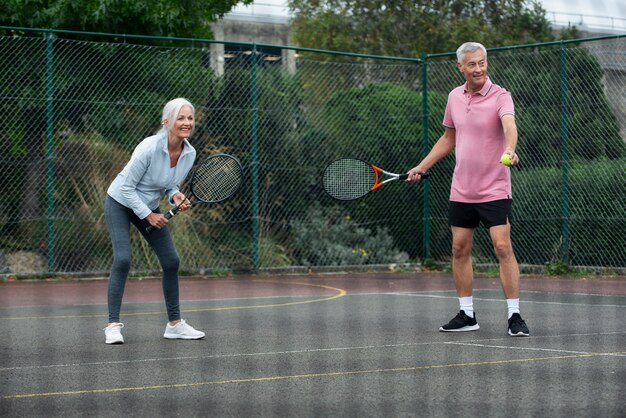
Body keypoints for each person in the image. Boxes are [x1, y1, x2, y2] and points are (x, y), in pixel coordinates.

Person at [407, 42, 529, 337]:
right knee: (459, 249)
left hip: (495, 188)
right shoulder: (454, 97)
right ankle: (467, 314)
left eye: (482, 63)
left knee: (502, 247)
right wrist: (422, 166)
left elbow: (509, 125)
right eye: (472, 64)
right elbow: (449, 138)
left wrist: (510, 148)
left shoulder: (501, 96)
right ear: (460, 67)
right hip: (462, 189)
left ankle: (515, 316)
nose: (478, 69)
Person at [103, 98, 205, 344]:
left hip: (148, 205)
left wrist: (175, 195)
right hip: (120, 201)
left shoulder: (189, 153)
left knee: (171, 261)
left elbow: (170, 183)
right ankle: (113, 326)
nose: (186, 123)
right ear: (167, 121)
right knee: (123, 258)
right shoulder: (148, 147)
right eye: (180, 118)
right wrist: (148, 215)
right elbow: (127, 187)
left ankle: (175, 324)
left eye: (189, 118)